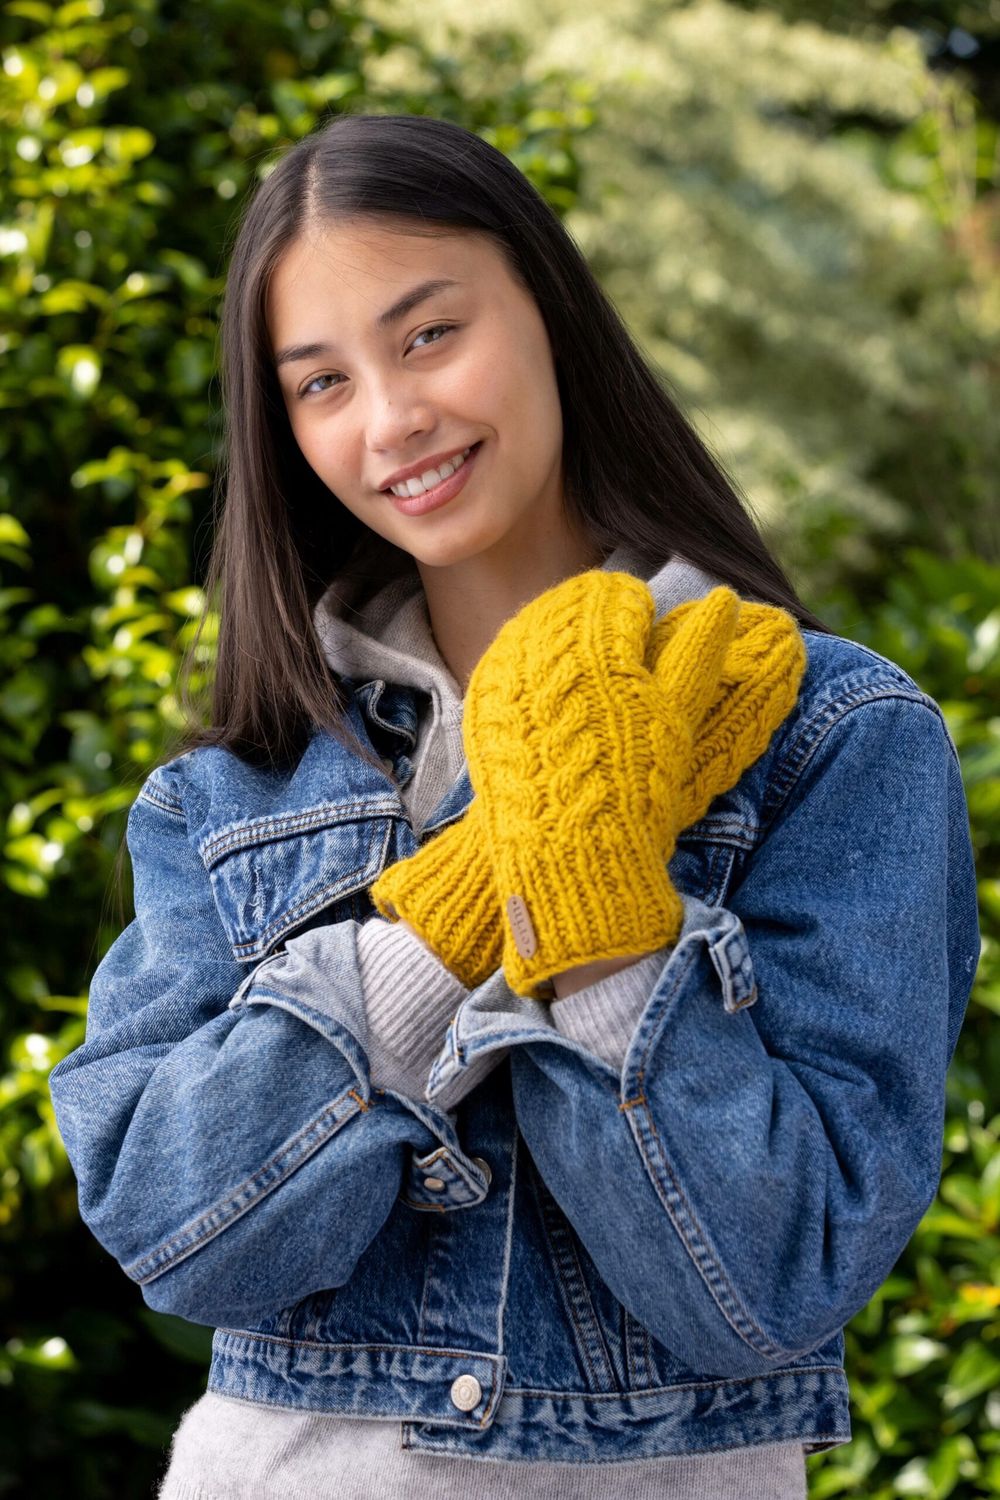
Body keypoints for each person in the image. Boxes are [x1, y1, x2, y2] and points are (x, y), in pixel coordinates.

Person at [48, 112, 980, 1500]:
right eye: (321, 383)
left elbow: (773, 1281)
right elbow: (181, 1236)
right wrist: (473, 892)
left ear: (549, 307)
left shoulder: (827, 736)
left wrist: (599, 901)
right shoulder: (229, 791)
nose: (392, 417)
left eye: (429, 335)